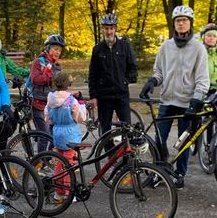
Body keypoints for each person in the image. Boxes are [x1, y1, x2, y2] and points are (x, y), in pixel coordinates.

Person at [140, 5, 209, 189]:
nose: (181, 24)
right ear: (174, 24)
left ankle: (180, 174)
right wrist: (153, 81)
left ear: (190, 23)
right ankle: (159, 172)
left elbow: (203, 78)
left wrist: (197, 100)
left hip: (188, 102)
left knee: (183, 142)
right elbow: (160, 72)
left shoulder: (198, 48)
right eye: (178, 21)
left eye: (184, 20)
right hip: (167, 100)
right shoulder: (166, 46)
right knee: (159, 140)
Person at [88, 13, 138, 134]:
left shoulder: (125, 46)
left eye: (111, 28)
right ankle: (110, 153)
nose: (109, 31)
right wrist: (93, 96)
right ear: (102, 29)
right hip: (104, 96)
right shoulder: (97, 49)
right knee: (105, 130)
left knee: (127, 128)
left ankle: (127, 152)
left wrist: (125, 80)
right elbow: (92, 74)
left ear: (115, 29)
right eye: (106, 28)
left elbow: (133, 67)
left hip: (122, 95)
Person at [45, 72, 87, 201]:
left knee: (59, 163)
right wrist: (81, 103)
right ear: (67, 84)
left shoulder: (50, 98)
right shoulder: (71, 100)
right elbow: (80, 117)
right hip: (70, 134)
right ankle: (69, 193)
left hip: (57, 132)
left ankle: (58, 191)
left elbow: (47, 117)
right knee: (69, 165)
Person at [30, 34, 66, 150]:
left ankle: (48, 159)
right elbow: (35, 80)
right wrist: (48, 74)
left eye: (59, 50)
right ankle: (39, 164)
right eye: (55, 49)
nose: (57, 52)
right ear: (48, 48)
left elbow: (59, 87)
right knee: (45, 135)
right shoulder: (38, 62)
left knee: (56, 134)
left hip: (51, 105)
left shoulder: (58, 67)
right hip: (38, 104)